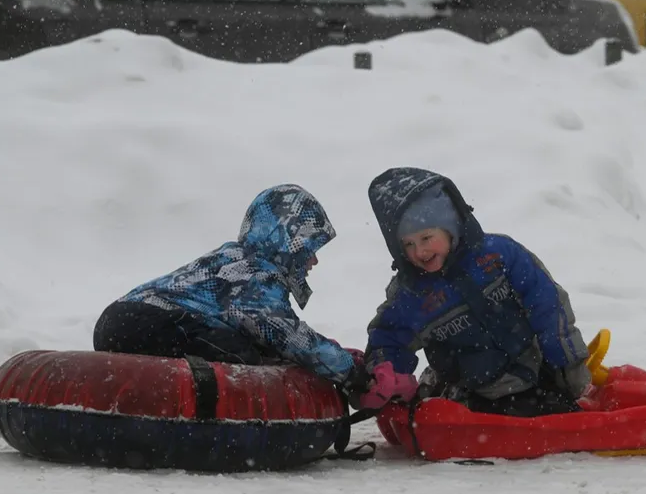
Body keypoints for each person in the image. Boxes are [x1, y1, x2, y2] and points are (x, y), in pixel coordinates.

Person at [357, 167, 592, 417]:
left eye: (426, 238)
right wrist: (387, 377)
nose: (420, 252)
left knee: (562, 407)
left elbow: (548, 307)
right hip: (472, 390)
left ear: (451, 228)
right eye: (408, 244)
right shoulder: (411, 295)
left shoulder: (498, 256)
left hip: (536, 369)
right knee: (533, 410)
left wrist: (569, 366)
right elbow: (389, 336)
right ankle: (441, 393)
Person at [92, 183, 369, 395]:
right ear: (287, 244)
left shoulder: (234, 259)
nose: (314, 260)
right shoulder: (256, 276)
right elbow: (287, 336)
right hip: (149, 323)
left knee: (243, 345)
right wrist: (352, 372)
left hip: (116, 320)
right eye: (308, 250)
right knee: (241, 355)